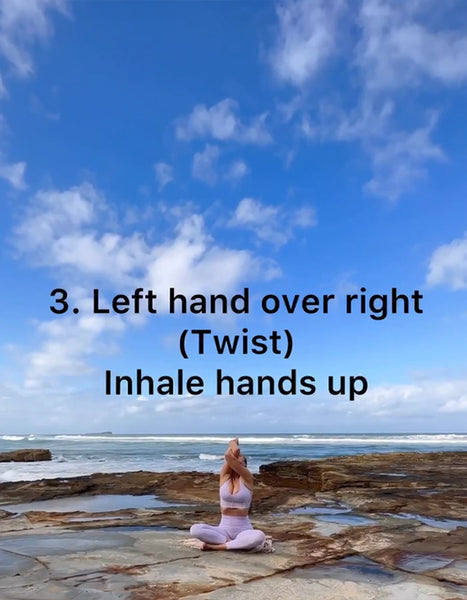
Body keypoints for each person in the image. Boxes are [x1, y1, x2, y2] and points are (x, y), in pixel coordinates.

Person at [189, 438, 266, 551]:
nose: (237, 465)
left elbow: (229, 457)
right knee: (195, 529)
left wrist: (233, 444)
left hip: (243, 529)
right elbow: (229, 458)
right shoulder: (224, 477)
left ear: (245, 466)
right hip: (223, 530)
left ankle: (217, 547)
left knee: (259, 536)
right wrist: (234, 446)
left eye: (240, 463)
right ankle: (229, 543)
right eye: (235, 463)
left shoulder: (248, 478)